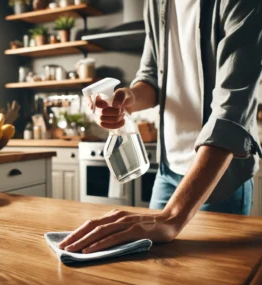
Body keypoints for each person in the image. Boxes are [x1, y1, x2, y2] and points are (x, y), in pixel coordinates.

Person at [59, 0, 262, 254]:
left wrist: (172, 217)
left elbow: (231, 110)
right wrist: (129, 98)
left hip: (218, 176)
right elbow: (151, 77)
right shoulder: (156, 4)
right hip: (167, 174)